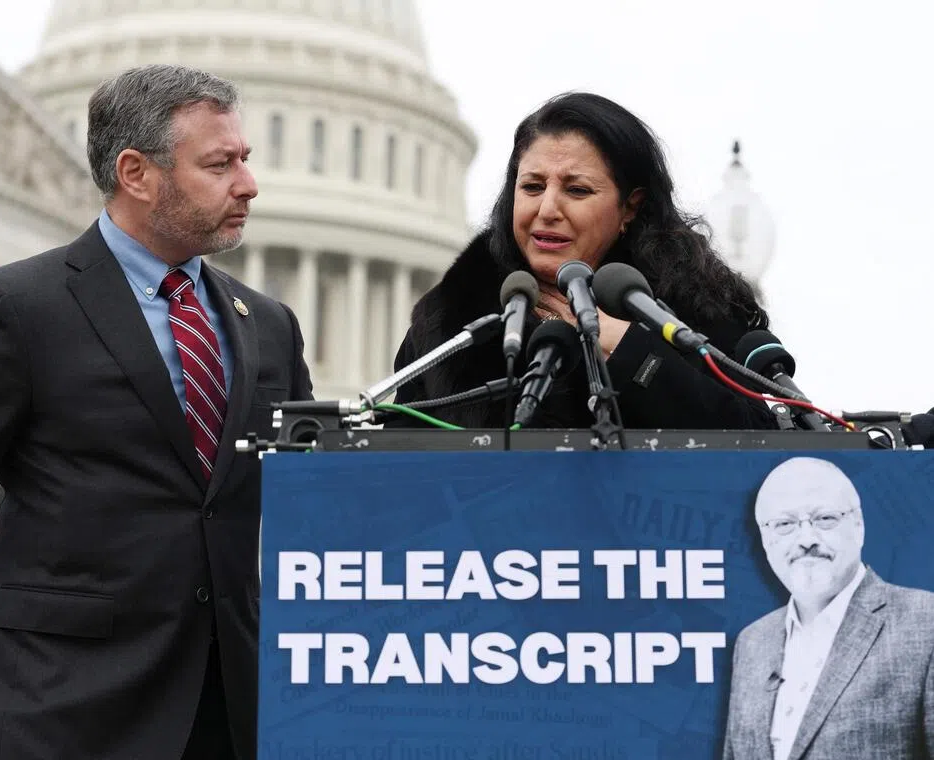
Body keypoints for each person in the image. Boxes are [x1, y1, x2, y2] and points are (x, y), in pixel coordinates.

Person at [0, 64, 313, 760]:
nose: (248, 184)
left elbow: (315, 505)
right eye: (220, 164)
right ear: (136, 174)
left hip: (229, 722)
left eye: (244, 159)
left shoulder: (270, 326)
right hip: (55, 719)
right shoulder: (18, 309)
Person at [391, 92, 774, 430]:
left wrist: (628, 350)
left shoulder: (696, 309)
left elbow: (761, 441)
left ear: (630, 207)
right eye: (532, 187)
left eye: (577, 190)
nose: (547, 209)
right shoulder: (449, 325)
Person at [722, 457, 934, 760]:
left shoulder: (925, 623)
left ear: (859, 526)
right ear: (765, 540)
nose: (806, 540)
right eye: (784, 524)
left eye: (824, 519)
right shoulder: (752, 643)